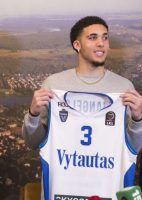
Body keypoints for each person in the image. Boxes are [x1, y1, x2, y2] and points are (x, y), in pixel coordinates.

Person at [22, 16, 142, 199]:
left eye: (105, 37)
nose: (101, 43)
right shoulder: (54, 85)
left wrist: (138, 119)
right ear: (77, 45)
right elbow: (33, 142)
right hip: (63, 192)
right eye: (93, 37)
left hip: (106, 191)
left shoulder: (124, 88)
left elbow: (133, 148)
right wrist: (33, 114)